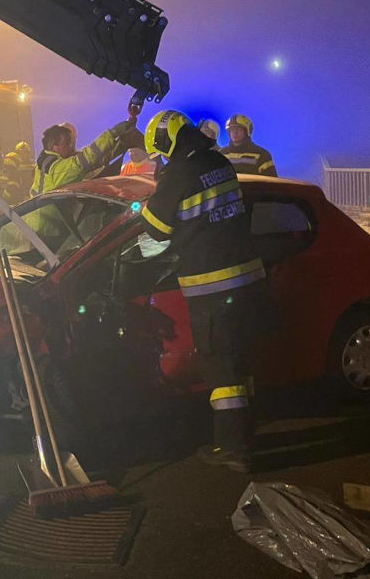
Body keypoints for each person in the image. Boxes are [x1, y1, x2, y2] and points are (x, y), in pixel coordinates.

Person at [140, 110, 268, 472]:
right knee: (240, 364)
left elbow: (155, 230)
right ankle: (246, 435)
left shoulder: (178, 173)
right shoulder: (218, 161)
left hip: (214, 287)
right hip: (246, 280)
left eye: (161, 151)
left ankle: (232, 450)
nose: (162, 158)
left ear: (168, 143)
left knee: (220, 370)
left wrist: (156, 189)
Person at [31, 119, 140, 197]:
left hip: (46, 219)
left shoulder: (47, 161)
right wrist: (112, 133)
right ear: (54, 147)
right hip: (46, 225)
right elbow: (84, 161)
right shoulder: (55, 169)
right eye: (67, 143)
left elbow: (94, 159)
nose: (71, 147)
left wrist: (119, 145)